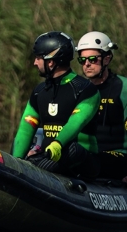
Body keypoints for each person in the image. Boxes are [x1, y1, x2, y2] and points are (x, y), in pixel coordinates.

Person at [11, 31, 101, 179]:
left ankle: (36, 166)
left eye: (38, 58)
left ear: (51, 62)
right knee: (22, 152)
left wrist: (58, 144)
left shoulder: (85, 89)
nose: (35, 62)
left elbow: (76, 122)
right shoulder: (39, 91)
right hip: (49, 157)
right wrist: (16, 162)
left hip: (82, 159)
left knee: (72, 148)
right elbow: (26, 128)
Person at [76, 31, 127, 190]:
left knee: (82, 158)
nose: (87, 64)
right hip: (87, 153)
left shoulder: (125, 88)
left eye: (92, 59)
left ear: (107, 59)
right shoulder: (77, 89)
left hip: (117, 158)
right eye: (82, 60)